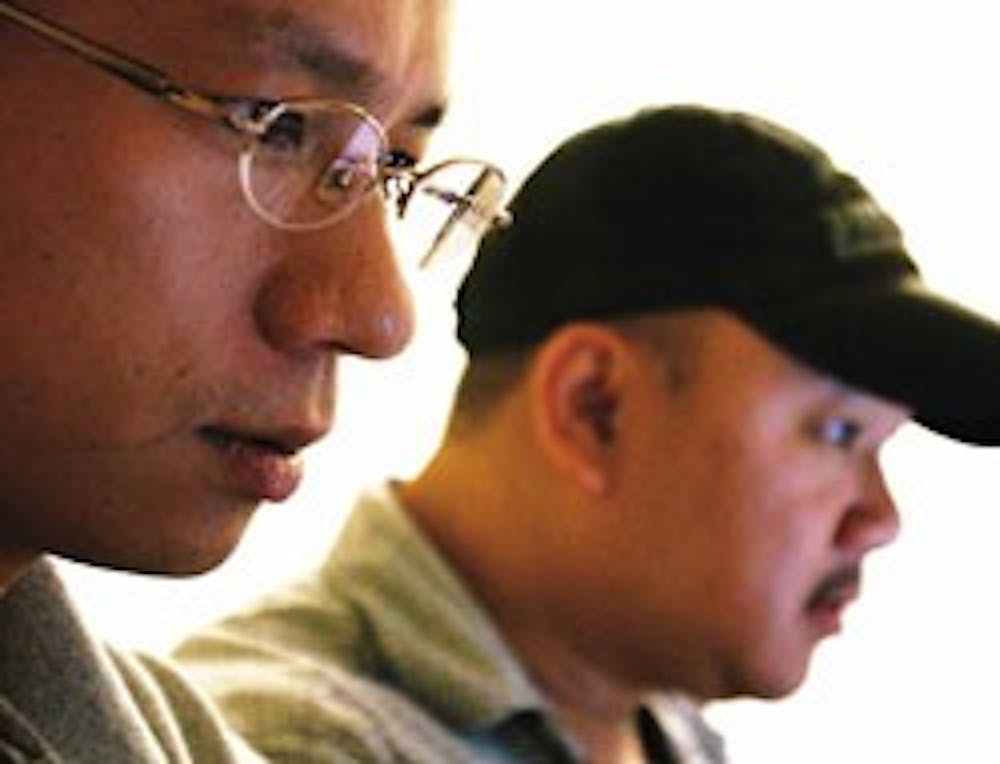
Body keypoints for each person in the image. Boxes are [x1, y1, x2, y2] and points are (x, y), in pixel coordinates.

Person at [175, 105, 1000, 764]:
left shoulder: (650, 715)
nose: (880, 518)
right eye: (837, 431)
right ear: (594, 407)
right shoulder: (285, 744)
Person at [0, 1, 508, 761]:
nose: (382, 318)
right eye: (276, 124)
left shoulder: (176, 739)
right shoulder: (315, 728)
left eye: (393, 168)